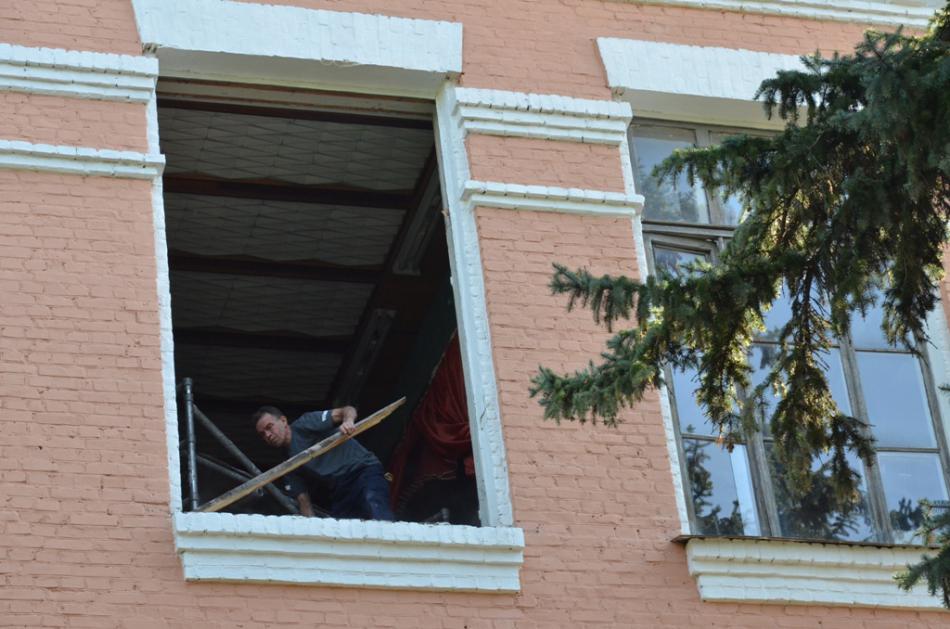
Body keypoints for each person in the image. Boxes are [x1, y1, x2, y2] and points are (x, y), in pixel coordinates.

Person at [253, 405, 394, 521]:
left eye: (269, 427)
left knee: (376, 510)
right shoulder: (287, 465)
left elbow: (347, 409)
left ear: (283, 421)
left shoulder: (305, 423)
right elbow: (304, 502)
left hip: (363, 471)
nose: (268, 435)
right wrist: (311, 530)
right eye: (262, 434)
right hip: (340, 488)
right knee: (340, 533)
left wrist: (348, 421)